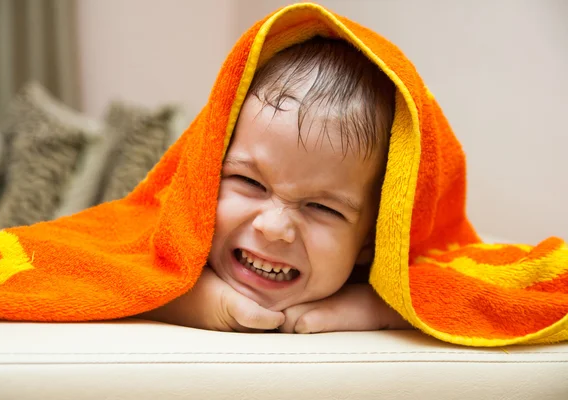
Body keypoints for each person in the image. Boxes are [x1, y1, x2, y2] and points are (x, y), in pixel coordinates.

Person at [140, 37, 412, 333]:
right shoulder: (171, 230)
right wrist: (201, 301)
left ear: (372, 241)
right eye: (249, 181)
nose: (273, 227)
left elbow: (454, 303)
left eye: (321, 207)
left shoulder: (393, 271)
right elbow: (107, 273)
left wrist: (372, 307)